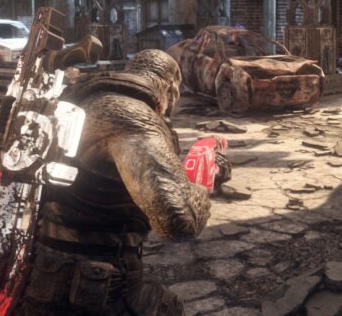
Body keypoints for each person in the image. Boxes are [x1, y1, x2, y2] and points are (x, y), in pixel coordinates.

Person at [12, 50, 214, 316]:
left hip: (45, 268)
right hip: (91, 286)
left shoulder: (81, 100)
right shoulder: (132, 116)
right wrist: (201, 187)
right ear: (171, 89)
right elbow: (177, 221)